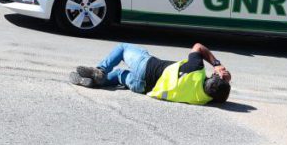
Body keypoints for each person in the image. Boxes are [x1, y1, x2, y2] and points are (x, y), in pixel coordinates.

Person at [68, 42, 231, 105]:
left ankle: (101, 70)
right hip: (141, 87)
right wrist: (221, 84)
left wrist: (217, 65)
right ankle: (96, 82)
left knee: (123, 48)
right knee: (119, 75)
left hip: (145, 66)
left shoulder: (196, 70)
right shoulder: (202, 100)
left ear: (212, 77)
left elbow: (198, 47)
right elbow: (218, 93)